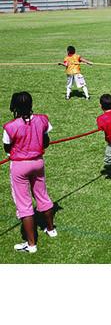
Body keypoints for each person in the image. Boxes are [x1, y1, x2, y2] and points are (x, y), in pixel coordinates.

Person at [2, 92, 56, 254]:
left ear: (14, 107)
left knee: (24, 204)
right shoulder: (42, 119)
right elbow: (46, 142)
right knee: (42, 195)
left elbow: (7, 148)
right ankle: (51, 229)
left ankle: (31, 245)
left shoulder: (10, 126)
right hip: (38, 162)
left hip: (19, 166)